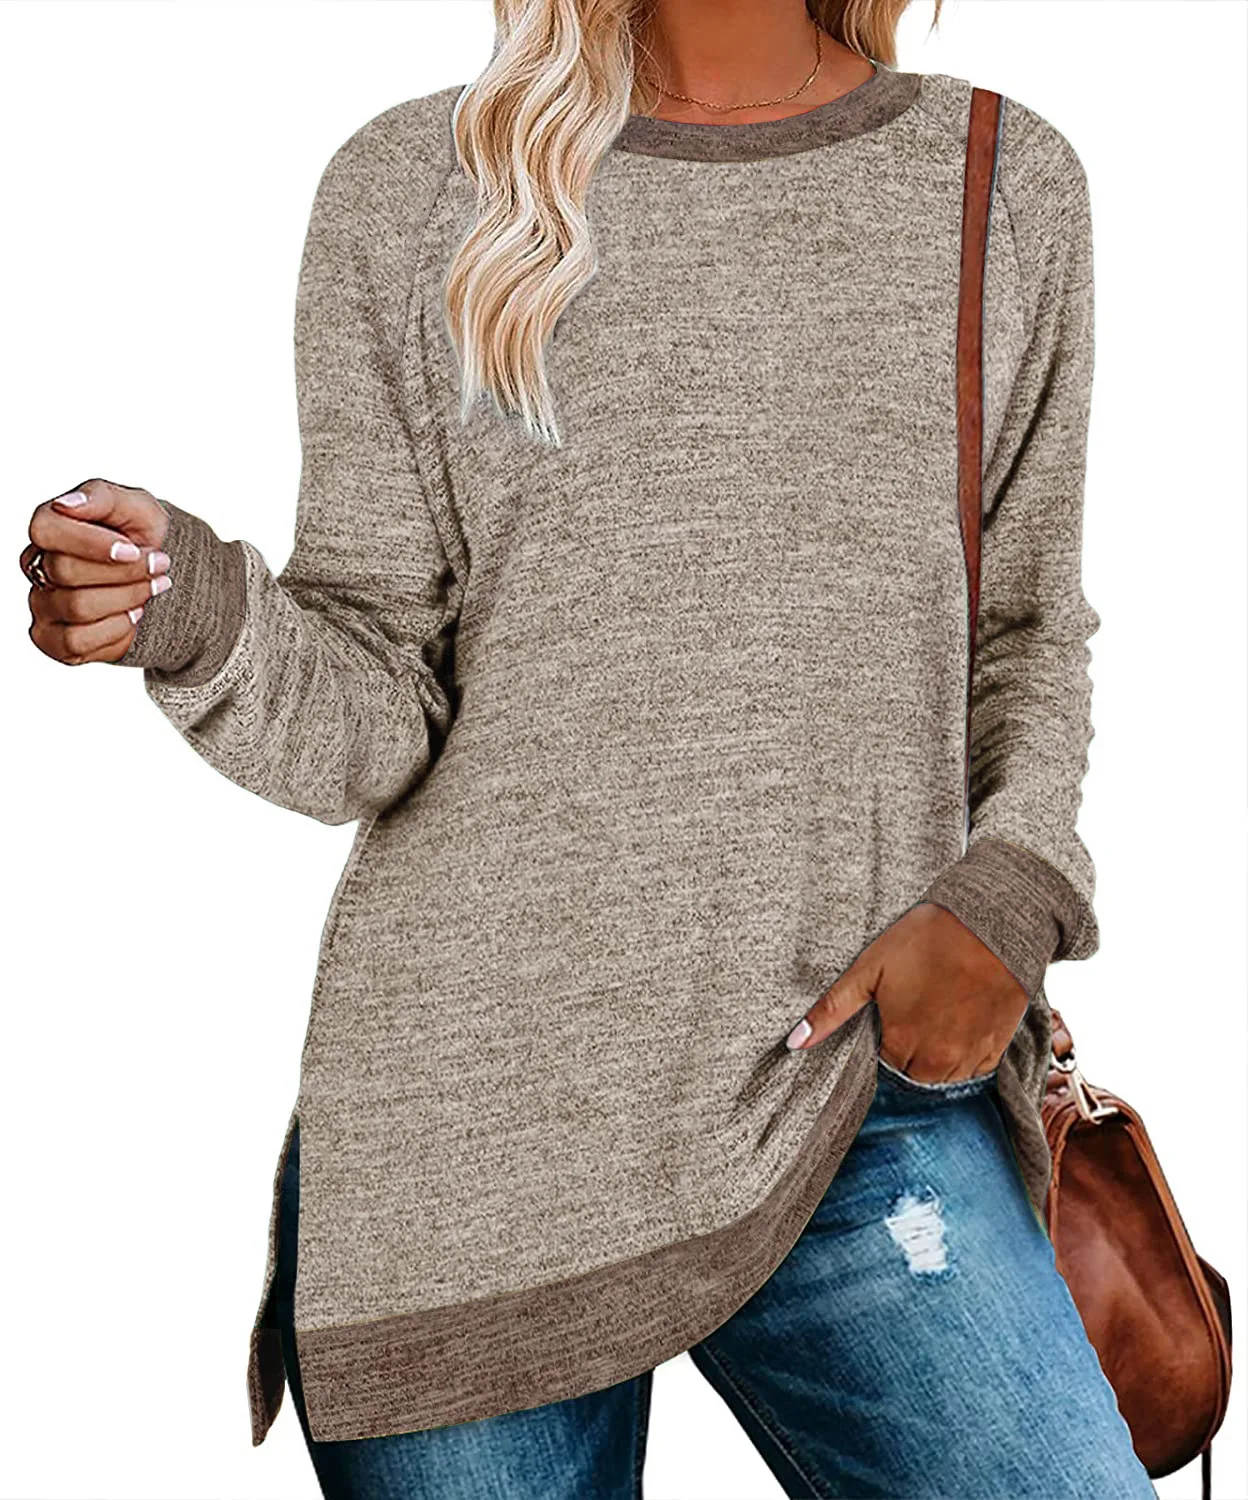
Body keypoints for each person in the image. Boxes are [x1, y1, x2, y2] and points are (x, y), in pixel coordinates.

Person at [20, 1, 1159, 1495]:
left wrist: (1008, 897)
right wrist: (188, 606)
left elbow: (1026, 624)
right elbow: (378, 709)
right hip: (473, 1147)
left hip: (848, 1090)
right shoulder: (417, 188)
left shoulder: (995, 178)